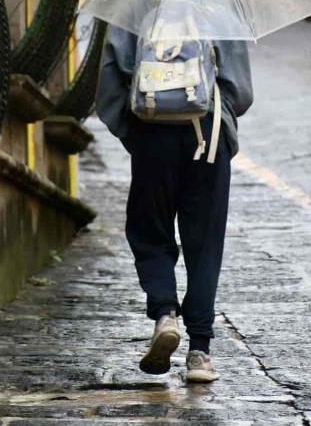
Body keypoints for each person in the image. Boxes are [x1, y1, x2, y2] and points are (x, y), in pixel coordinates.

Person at [96, 25, 253, 382]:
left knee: (149, 229)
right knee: (204, 242)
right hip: (207, 134)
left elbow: (108, 83)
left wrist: (134, 131)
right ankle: (199, 351)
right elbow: (240, 93)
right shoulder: (219, 9)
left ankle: (165, 313)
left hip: (151, 131)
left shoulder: (134, 7)